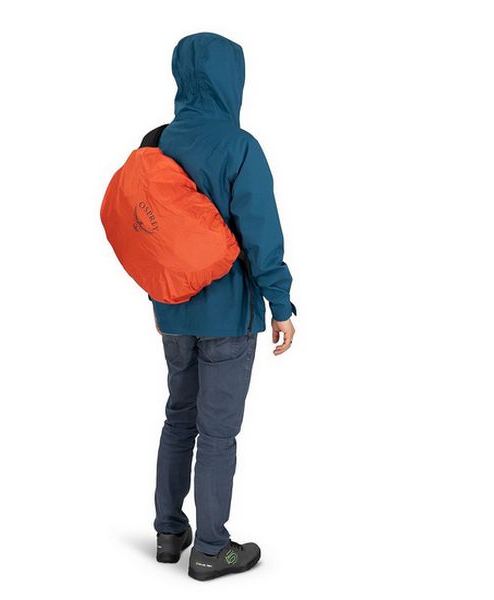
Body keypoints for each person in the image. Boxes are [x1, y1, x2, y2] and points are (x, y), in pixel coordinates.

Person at [151, 32, 297, 581]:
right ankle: (212, 548)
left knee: (178, 418)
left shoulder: (158, 144)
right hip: (228, 315)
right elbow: (261, 233)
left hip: (172, 310)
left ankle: (169, 532)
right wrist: (280, 303)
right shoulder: (239, 146)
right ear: (232, 79)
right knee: (217, 433)